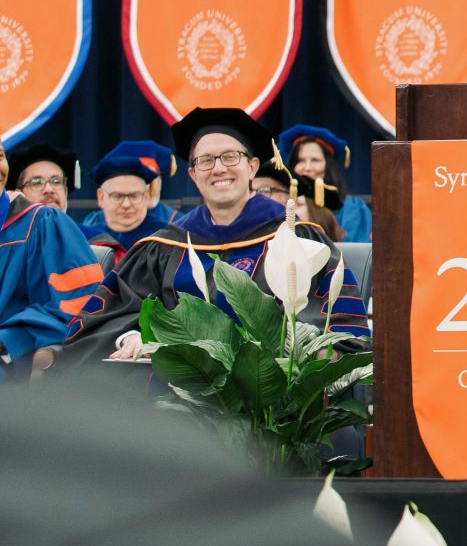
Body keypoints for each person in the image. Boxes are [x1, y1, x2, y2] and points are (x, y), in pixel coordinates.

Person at [63, 109, 367, 363]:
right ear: (194, 175)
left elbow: (342, 330)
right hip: (173, 403)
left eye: (230, 157)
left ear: (252, 166)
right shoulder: (165, 246)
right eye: (205, 161)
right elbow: (100, 321)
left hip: (271, 405)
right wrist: (132, 336)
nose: (218, 168)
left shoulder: (298, 238)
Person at [1, 176, 104, 371]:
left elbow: (78, 307)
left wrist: (9, 338)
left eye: (0, 156)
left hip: (11, 363)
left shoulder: (43, 223)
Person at [278, 125, 373, 242]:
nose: (307, 168)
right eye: (301, 160)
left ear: (328, 166)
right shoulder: (283, 204)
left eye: (315, 160)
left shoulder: (352, 208)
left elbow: (355, 253)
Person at [79, 148, 173, 262]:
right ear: (101, 197)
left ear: (146, 196)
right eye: (117, 196)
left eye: (134, 196)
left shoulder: (166, 239)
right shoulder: (86, 240)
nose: (126, 204)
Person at [7, 144, 78, 212]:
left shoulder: (76, 225)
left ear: (65, 191)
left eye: (56, 181)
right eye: (37, 182)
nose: (49, 189)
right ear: (19, 196)